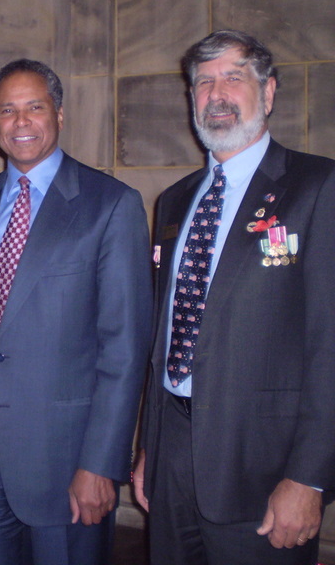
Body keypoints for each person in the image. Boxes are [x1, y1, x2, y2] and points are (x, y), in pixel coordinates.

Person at [0, 59, 152, 564]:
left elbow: (124, 349)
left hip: (69, 466)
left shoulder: (110, 205)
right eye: (7, 110)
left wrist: (101, 464)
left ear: (60, 114)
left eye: (35, 107)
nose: (21, 121)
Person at [133, 30, 335, 565]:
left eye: (233, 77)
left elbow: (330, 346)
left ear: (268, 94)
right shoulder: (175, 201)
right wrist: (149, 448)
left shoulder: (318, 186)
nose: (216, 93)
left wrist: (309, 478)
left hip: (264, 470)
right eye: (203, 82)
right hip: (174, 453)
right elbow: (166, 332)